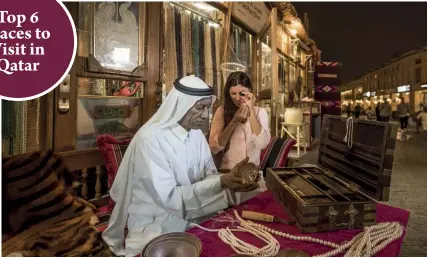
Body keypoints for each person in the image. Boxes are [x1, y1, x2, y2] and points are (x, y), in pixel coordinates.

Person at [102, 76, 260, 256]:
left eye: (207, 108)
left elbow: (209, 175)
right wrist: (222, 182)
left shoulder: (197, 135)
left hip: (197, 217)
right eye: (200, 108)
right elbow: (170, 198)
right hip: (158, 227)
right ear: (180, 105)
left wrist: (230, 180)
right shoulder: (150, 139)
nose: (205, 115)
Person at [209, 71, 271, 204]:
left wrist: (251, 111)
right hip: (226, 176)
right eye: (233, 94)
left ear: (250, 91)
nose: (237, 98)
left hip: (252, 177)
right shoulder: (221, 112)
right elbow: (214, 148)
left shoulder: (261, 112)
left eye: (242, 93)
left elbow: (262, 144)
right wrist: (234, 121)